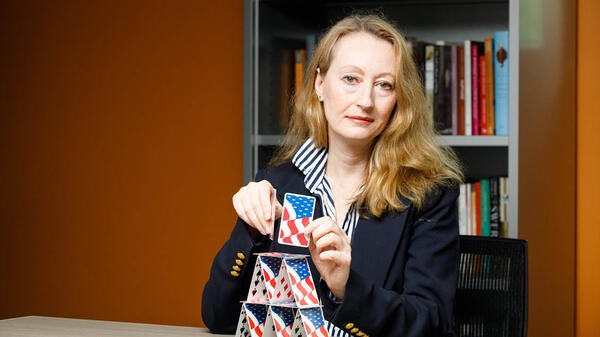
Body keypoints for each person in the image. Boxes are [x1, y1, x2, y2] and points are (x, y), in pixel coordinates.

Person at [202, 14, 463, 337]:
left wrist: (346, 288)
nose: (365, 101)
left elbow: (432, 324)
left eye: (384, 85)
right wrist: (248, 229)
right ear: (319, 84)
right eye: (351, 79)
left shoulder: (429, 194)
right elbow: (217, 316)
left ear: (398, 100)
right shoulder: (278, 184)